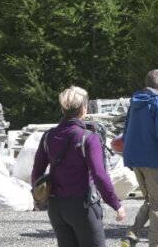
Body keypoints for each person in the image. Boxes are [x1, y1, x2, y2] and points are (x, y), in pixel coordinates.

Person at [31, 86, 126, 247]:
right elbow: (99, 174)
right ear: (84, 109)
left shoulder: (48, 136)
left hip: (56, 208)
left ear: (62, 109)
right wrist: (115, 204)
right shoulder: (89, 138)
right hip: (82, 206)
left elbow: (37, 172)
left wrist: (38, 197)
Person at [121, 69, 158, 247]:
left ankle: (131, 235)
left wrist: (128, 158)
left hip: (137, 161)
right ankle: (156, 244)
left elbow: (126, 130)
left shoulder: (135, 102)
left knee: (151, 201)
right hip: (155, 162)